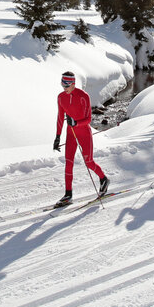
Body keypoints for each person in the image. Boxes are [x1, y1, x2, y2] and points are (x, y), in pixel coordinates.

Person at [53, 71, 108, 206]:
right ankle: (68, 195)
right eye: (62, 83)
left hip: (83, 132)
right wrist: (58, 137)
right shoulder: (61, 97)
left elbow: (88, 119)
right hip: (70, 133)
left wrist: (76, 123)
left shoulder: (83, 96)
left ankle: (103, 179)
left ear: (73, 84)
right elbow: (60, 118)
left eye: (66, 84)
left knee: (89, 162)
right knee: (68, 162)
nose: (64, 87)